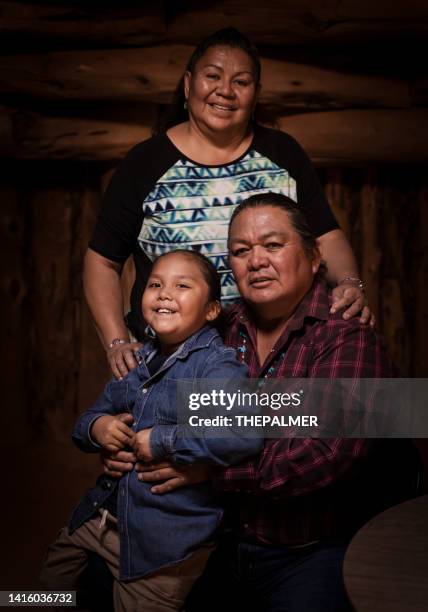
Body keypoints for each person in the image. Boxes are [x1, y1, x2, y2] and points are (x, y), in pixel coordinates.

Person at [103, 193, 394, 611]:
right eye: (241, 251)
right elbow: (160, 404)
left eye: (273, 245)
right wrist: (118, 440)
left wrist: (209, 471)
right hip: (211, 538)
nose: (256, 260)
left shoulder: (345, 335)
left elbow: (322, 452)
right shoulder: (214, 327)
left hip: (309, 548)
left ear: (314, 258)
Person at [83, 27, 371, 381]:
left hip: (278, 355)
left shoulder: (283, 153)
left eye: (242, 81)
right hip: (177, 362)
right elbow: (102, 262)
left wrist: (350, 284)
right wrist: (117, 343)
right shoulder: (145, 163)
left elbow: (325, 235)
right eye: (213, 76)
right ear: (188, 85)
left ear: (256, 95)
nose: (225, 91)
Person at [40, 250, 262, 612]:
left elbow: (241, 432)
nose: (163, 293)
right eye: (155, 284)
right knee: (46, 592)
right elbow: (83, 424)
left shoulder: (214, 368)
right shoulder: (137, 359)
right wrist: (99, 427)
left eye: (181, 285)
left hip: (161, 546)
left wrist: (161, 440)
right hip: (98, 518)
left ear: (211, 311)